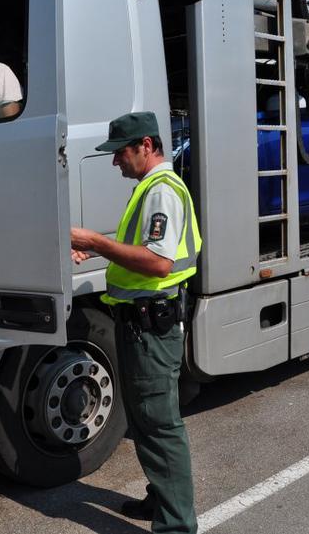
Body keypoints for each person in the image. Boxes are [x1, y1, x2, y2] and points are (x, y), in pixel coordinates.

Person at [70, 111, 201, 534]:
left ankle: (176, 525)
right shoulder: (150, 188)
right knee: (146, 420)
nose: (115, 161)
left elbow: (158, 263)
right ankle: (161, 500)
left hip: (152, 329)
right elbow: (141, 249)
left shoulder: (161, 191)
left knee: (160, 425)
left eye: (120, 152)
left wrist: (95, 241)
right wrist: (99, 250)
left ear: (146, 145)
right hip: (141, 325)